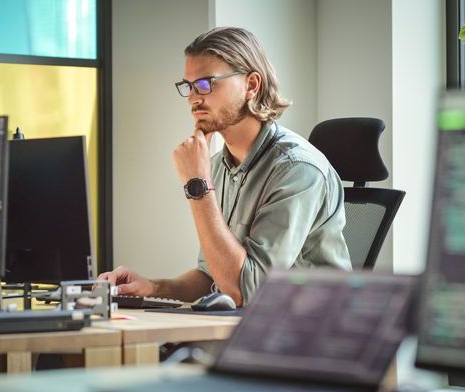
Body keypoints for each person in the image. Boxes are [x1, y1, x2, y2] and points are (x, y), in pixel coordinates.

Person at [100, 27, 350, 306]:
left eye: (206, 83)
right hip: (248, 330)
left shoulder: (297, 170)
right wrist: (152, 287)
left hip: (305, 337)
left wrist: (198, 186)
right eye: (189, 86)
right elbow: (212, 278)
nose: (193, 98)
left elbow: (244, 291)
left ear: (251, 85)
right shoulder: (218, 167)